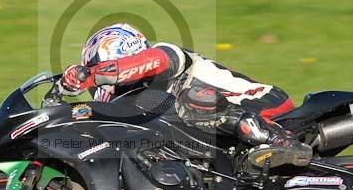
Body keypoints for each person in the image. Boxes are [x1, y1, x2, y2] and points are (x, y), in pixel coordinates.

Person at [60, 23, 312, 171]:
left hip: (260, 102)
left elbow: (145, 64)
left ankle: (281, 141)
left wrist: (92, 74)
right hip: (222, 138)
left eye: (99, 66)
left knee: (190, 100)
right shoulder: (141, 101)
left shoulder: (165, 55)